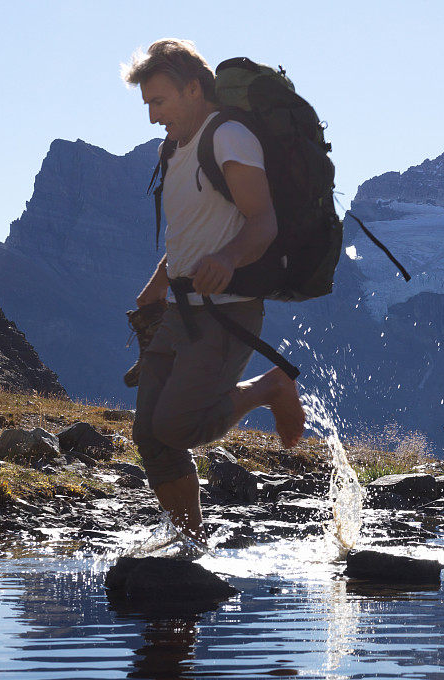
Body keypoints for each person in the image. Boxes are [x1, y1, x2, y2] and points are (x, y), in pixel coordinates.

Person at [121, 39, 305, 543]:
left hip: (227, 312)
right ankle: (189, 544)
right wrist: (157, 285)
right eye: (148, 105)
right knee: (151, 438)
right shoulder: (177, 148)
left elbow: (262, 221)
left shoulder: (229, 137)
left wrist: (227, 259)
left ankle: (270, 388)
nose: (154, 116)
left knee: (177, 428)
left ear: (194, 88)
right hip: (181, 311)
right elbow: (191, 234)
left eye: (159, 102)